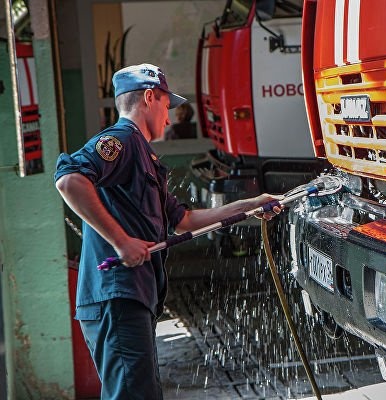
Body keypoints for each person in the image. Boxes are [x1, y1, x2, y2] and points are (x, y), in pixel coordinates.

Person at [54, 63, 281, 399]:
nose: (169, 119)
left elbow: (184, 221)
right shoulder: (121, 141)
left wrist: (251, 205)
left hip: (133, 297)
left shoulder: (145, 156)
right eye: (166, 106)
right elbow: (69, 180)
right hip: (117, 296)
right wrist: (121, 242)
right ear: (149, 97)